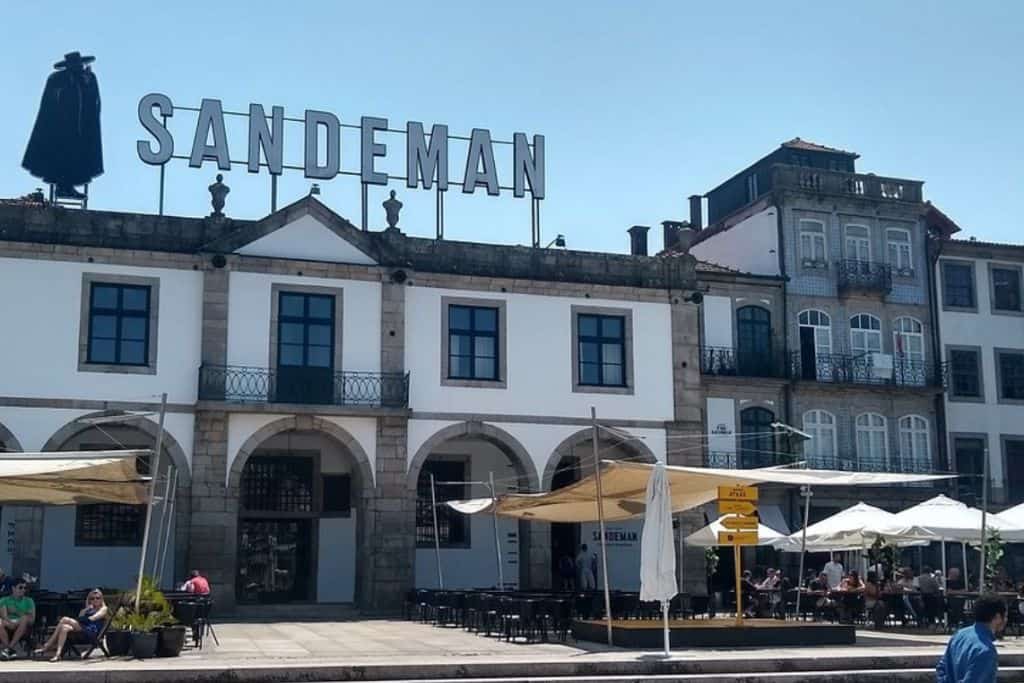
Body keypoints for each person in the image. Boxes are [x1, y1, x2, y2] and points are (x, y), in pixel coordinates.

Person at [936, 593, 1006, 682]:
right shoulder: (985, 650)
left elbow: (941, 668)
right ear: (998, 617)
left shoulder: (959, 635)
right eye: (1006, 616)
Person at [35, 589, 107, 662]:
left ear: (101, 599)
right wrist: (86, 609)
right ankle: (58, 654)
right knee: (64, 628)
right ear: (89, 600)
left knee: (64, 619)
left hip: (92, 632)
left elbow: (92, 619)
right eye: (92, 598)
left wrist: (77, 620)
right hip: (82, 630)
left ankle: (47, 645)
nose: (95, 600)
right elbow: (80, 618)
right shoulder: (87, 610)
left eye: (97, 598)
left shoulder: (103, 609)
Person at [0, 581, 34, 659]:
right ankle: (9, 650)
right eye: (20, 587)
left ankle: (9, 648)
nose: (23, 590)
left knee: (24, 618)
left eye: (25, 588)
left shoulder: (29, 601)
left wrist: (16, 612)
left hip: (24, 627)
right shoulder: (4, 600)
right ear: (13, 588)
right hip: (8, 624)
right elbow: (4, 616)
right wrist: (11, 622)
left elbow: (31, 619)